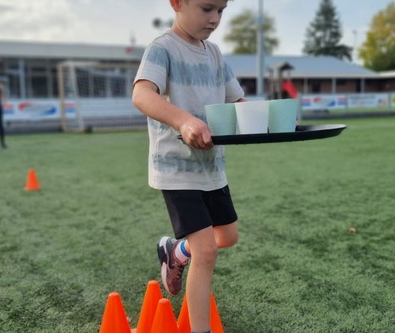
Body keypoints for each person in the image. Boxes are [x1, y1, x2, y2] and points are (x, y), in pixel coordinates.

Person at [132, 1, 245, 332]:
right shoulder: (162, 48)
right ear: (177, 3)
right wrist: (182, 120)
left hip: (212, 168)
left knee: (228, 236)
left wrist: (270, 119)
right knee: (207, 252)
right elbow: (141, 95)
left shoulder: (215, 54)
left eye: (221, 10)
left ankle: (176, 251)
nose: (214, 19)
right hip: (177, 169)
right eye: (207, 8)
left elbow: (237, 102)